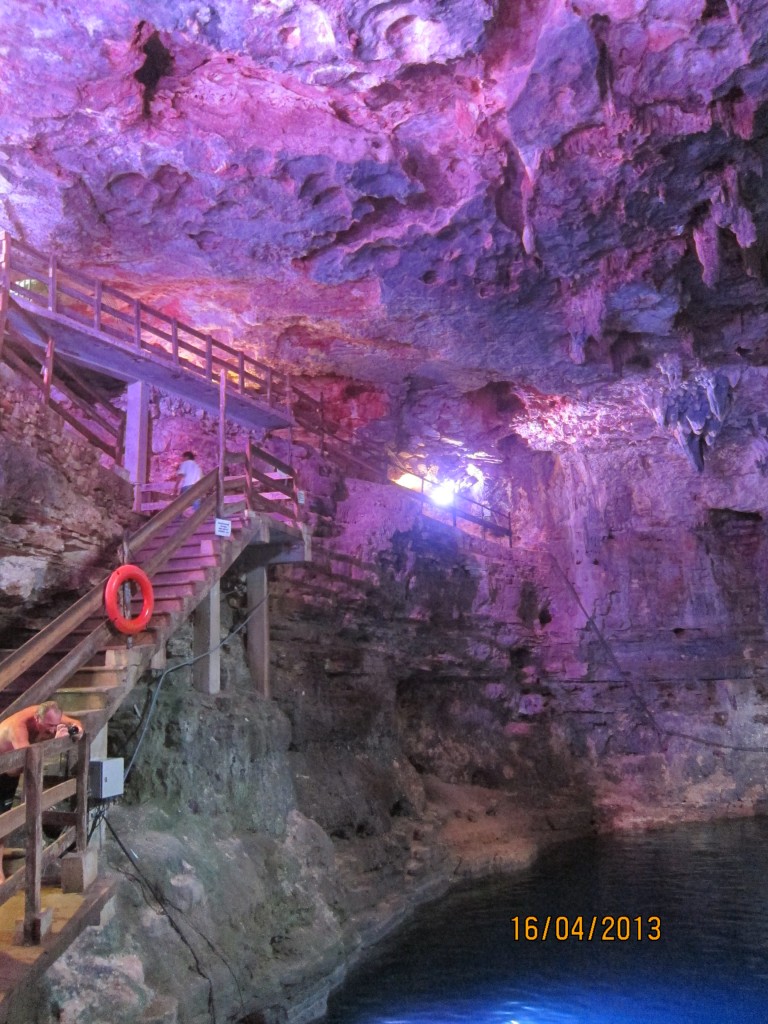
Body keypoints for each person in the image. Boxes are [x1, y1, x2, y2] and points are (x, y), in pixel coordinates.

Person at [0, 701, 83, 882]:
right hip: (5, 769)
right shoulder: (17, 728)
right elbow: (28, 762)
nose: (53, 730)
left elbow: (75, 722)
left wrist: (76, 730)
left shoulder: (44, 713)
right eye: (49, 726)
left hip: (9, 773)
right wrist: (54, 743)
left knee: (3, 826)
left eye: (55, 725)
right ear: (38, 719)